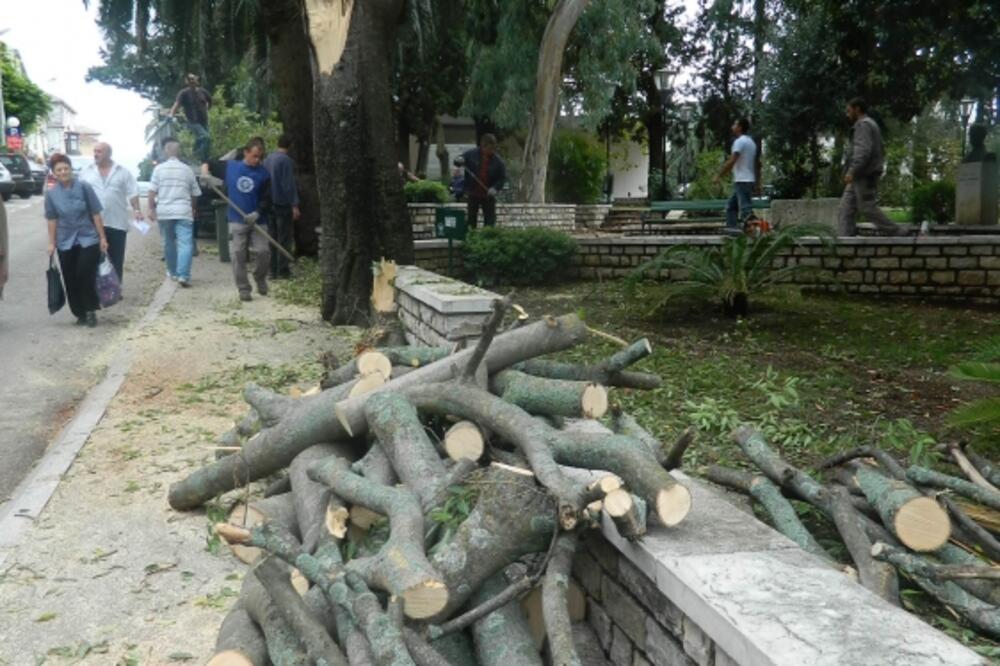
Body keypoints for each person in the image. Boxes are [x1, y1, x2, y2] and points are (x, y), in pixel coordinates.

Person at [201, 137, 272, 301]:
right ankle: (243, 289)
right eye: (254, 156)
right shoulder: (230, 167)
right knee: (238, 254)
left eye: (260, 157)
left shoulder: (264, 174)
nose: (257, 160)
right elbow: (207, 162)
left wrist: (257, 213)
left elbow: (267, 198)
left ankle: (260, 277)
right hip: (237, 219)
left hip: (258, 221)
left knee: (263, 252)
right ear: (246, 152)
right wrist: (205, 174)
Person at [44, 153, 108, 327]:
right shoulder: (51, 194)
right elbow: (52, 219)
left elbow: (95, 213)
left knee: (84, 274)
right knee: (70, 277)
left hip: (88, 238)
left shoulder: (84, 187)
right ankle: (79, 313)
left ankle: (90, 310)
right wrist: (51, 242)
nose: (63, 172)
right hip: (65, 241)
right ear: (54, 173)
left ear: (71, 169)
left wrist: (102, 237)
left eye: (66, 168)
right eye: (59, 170)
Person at [79, 142, 142, 284]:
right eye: (94, 151)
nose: (95, 154)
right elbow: (79, 195)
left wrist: (137, 210)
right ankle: (95, 289)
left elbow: (133, 193)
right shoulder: (86, 172)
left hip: (116, 222)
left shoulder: (123, 172)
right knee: (93, 257)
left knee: (115, 258)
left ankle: (115, 288)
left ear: (109, 154)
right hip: (92, 223)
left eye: (99, 151)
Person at [838, 97, 899, 236]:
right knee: (845, 209)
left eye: (849, 111)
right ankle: (845, 242)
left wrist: (852, 170)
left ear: (857, 109)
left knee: (867, 207)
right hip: (860, 176)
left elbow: (863, 151)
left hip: (863, 175)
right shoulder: (870, 124)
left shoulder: (863, 125)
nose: (847, 114)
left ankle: (898, 232)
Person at [148, 137, 201, 287]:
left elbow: (152, 191)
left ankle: (173, 272)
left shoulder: (159, 169)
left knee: (168, 242)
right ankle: (183, 275)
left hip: (165, 212)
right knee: (185, 243)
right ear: (179, 152)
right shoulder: (187, 169)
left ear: (166, 151)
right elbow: (195, 193)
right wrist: (193, 208)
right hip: (184, 211)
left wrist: (151, 209)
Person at [262, 133, 300, 280]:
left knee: (272, 237)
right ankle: (283, 270)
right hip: (282, 203)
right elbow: (288, 185)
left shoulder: (267, 159)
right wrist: (294, 205)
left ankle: (272, 270)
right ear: (290, 146)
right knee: (284, 237)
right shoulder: (286, 161)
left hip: (269, 202)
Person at [714, 118, 760, 235]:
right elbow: (756, 164)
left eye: (735, 124)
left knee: (745, 210)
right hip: (747, 179)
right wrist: (758, 182)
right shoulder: (751, 142)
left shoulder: (739, 142)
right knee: (731, 207)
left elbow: (732, 160)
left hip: (742, 180)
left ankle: (758, 231)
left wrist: (719, 175)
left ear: (740, 127)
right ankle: (732, 233)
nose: (732, 126)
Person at [459, 134, 506, 228]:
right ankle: (471, 238)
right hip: (473, 193)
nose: (491, 151)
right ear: (483, 146)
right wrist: (460, 160)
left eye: (493, 148)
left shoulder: (498, 162)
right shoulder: (471, 154)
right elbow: (460, 159)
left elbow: (502, 178)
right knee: (471, 219)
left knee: (489, 220)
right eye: (489, 148)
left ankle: (488, 238)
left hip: (488, 195)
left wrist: (495, 188)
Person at [168, 73, 213, 162]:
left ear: (196, 80)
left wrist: (206, 108)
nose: (192, 81)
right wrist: (171, 115)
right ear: (186, 82)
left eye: (193, 79)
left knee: (208, 141)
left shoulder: (202, 91)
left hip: (204, 121)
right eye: (189, 79)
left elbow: (210, 101)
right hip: (193, 122)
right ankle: (195, 153)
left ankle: (204, 161)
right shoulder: (184, 93)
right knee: (205, 137)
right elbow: (176, 105)